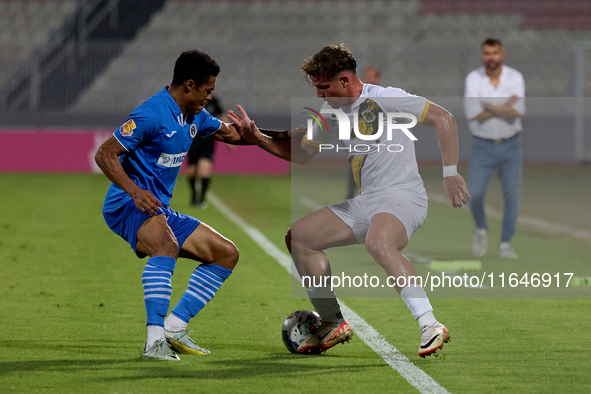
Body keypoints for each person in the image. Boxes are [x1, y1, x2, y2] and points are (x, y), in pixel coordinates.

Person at [228, 44, 470, 358]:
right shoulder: (330, 113)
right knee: (299, 238)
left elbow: (444, 117)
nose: (319, 95)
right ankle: (331, 323)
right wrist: (257, 139)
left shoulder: (386, 98)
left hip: (403, 197)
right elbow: (302, 154)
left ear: (344, 81)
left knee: (379, 242)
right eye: (315, 88)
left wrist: (450, 172)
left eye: (323, 87)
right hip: (367, 201)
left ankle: (429, 324)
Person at [95, 50, 252, 361]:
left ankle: (174, 327)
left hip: (157, 209)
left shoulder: (196, 115)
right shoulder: (151, 114)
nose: (210, 97)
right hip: (126, 204)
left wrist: (280, 136)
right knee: (165, 245)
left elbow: (234, 134)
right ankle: (154, 341)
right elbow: (105, 154)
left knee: (225, 253)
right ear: (189, 85)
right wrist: (135, 191)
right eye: (208, 90)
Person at [464, 38, 525, 259]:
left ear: (502, 54)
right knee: (475, 194)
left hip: (511, 145)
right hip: (482, 145)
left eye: (495, 53)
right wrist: (504, 106)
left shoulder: (515, 77)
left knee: (511, 196)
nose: (491, 57)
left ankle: (506, 243)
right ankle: (481, 228)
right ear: (483, 56)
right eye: (487, 53)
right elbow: (473, 113)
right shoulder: (474, 79)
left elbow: (517, 111)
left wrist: (488, 105)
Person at [186, 96, 231, 208]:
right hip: (193, 141)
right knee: (191, 172)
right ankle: (194, 192)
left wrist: (229, 138)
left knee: (205, 170)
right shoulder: (192, 100)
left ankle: (202, 198)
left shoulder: (214, 102)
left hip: (208, 141)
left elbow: (222, 117)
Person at [346, 67, 381, 199]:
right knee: (353, 180)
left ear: (377, 79)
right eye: (368, 76)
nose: (370, 79)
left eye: (373, 76)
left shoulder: (384, 97)